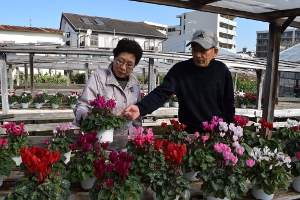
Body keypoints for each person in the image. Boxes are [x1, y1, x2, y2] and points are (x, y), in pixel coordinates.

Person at [120, 29, 235, 134]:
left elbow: (229, 103)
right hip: (189, 132)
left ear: (215, 52)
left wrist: (228, 128)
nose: (197, 55)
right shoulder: (180, 70)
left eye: (203, 50)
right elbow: (161, 93)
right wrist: (140, 108)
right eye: (194, 49)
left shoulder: (221, 71)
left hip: (217, 132)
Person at [73, 38, 143, 135]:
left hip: (126, 140)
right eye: (120, 61)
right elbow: (82, 105)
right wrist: (86, 117)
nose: (123, 67)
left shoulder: (135, 83)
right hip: (101, 137)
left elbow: (137, 114)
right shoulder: (98, 77)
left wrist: (138, 135)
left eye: (129, 64)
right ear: (114, 58)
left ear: (134, 66)